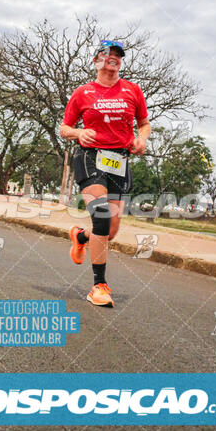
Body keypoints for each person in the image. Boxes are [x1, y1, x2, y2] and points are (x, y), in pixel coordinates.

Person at [60, 40, 151, 307]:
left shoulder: (132, 91)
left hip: (119, 163)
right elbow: (64, 128)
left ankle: (80, 236)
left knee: (109, 231)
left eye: (117, 55)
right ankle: (98, 286)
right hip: (90, 159)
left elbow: (144, 124)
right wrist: (79, 132)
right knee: (100, 219)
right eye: (107, 54)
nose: (113, 58)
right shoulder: (83, 92)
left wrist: (141, 139)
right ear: (96, 60)